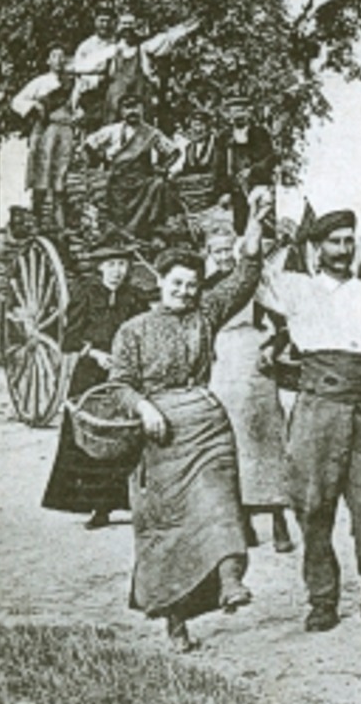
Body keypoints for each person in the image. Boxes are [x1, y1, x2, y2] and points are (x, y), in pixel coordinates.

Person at [108, 200, 266, 651]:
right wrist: (143, 407)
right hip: (159, 439)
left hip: (207, 426)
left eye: (193, 285)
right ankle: (175, 623)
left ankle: (230, 580)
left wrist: (254, 218)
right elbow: (118, 384)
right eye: (178, 284)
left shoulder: (206, 314)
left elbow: (245, 275)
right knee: (170, 531)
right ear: (160, 283)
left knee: (220, 504)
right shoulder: (134, 330)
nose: (186, 292)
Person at [257, 208, 361, 631]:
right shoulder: (295, 289)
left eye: (349, 240)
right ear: (317, 247)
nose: (344, 249)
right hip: (318, 407)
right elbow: (253, 275)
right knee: (314, 506)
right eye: (335, 241)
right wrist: (261, 227)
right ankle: (322, 599)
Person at [40, 236, 149, 528]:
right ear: (100, 267)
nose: (117, 271)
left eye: (122, 264)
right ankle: (96, 509)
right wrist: (95, 354)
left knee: (126, 437)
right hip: (90, 376)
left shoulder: (135, 298)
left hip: (124, 377)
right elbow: (69, 339)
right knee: (90, 437)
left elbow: (144, 336)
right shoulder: (85, 294)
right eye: (111, 265)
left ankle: (128, 504)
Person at [205, 225, 293, 554]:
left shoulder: (256, 284)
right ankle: (242, 521)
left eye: (230, 249)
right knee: (233, 445)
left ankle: (279, 521)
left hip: (255, 367)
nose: (225, 256)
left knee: (266, 443)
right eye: (218, 251)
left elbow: (284, 324)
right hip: (222, 369)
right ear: (209, 255)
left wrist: (273, 347)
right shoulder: (208, 289)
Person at [83, 96, 184, 242]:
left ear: (143, 109)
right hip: (117, 180)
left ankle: (148, 229)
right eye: (127, 108)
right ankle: (118, 232)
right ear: (121, 111)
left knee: (158, 185)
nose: (132, 112)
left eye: (136, 107)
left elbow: (174, 152)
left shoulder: (151, 133)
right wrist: (96, 163)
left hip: (142, 179)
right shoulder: (112, 130)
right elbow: (89, 144)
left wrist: (163, 168)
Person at [10, 48, 79, 232]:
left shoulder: (73, 82)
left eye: (62, 57)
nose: (59, 60)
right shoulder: (40, 82)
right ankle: (38, 218)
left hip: (66, 129)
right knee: (42, 171)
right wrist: (34, 105)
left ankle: (60, 221)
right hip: (46, 129)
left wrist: (78, 113)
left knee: (62, 173)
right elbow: (17, 101)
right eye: (55, 56)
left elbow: (78, 105)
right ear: (48, 61)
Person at [101, 12, 199, 126]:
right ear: (118, 26)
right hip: (116, 100)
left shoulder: (145, 47)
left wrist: (184, 28)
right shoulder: (111, 50)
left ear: (136, 26)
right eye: (124, 23)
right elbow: (84, 66)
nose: (127, 27)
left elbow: (167, 38)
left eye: (130, 24)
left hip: (140, 95)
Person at [211, 99, 277, 234]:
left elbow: (270, 158)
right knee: (239, 228)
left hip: (258, 187)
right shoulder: (224, 137)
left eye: (241, 111)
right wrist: (224, 191)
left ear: (248, 112)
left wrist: (252, 171)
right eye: (233, 112)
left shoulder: (260, 133)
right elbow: (219, 167)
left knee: (262, 226)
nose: (237, 115)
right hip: (236, 190)